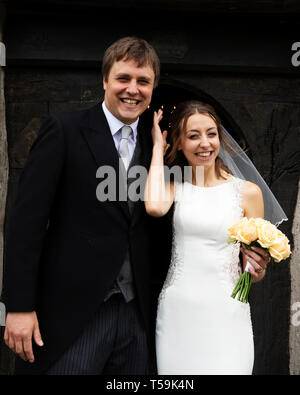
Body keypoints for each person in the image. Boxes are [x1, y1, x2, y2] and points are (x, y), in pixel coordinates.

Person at [2, 36, 161, 375]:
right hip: (71, 316)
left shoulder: (157, 145)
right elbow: (26, 223)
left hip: (136, 318)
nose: (133, 89)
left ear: (152, 87)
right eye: (123, 78)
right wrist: (18, 306)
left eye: (143, 81)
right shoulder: (64, 130)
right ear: (105, 80)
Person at [144, 101, 273, 375]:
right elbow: (154, 207)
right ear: (178, 143)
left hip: (227, 310)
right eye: (193, 136)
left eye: (211, 134)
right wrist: (157, 148)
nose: (205, 143)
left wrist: (255, 267)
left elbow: (254, 271)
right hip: (179, 311)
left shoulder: (247, 192)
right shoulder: (174, 186)